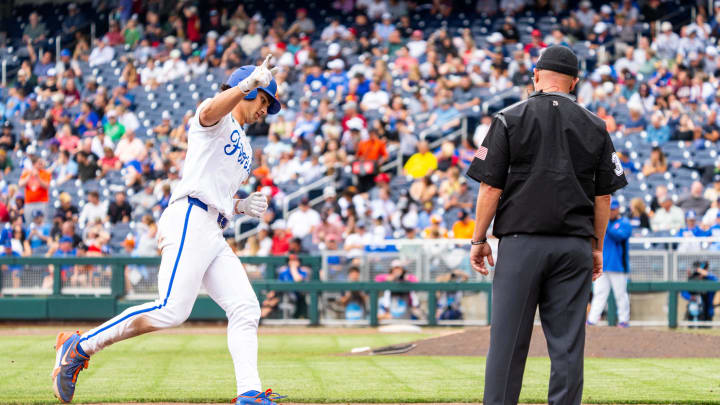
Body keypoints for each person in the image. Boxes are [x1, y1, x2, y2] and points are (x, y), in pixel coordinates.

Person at [52, 56, 286, 405]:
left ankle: (249, 392)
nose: (265, 109)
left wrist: (239, 205)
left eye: (266, 103)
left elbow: (214, 188)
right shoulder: (215, 118)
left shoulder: (248, 148)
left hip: (213, 226)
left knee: (246, 308)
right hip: (189, 217)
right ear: (247, 92)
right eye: (264, 100)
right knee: (171, 309)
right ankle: (80, 346)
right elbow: (207, 113)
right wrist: (247, 85)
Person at [466, 46, 627, 405]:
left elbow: (491, 185)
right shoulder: (596, 125)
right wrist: (596, 246)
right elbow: (604, 197)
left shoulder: (509, 117)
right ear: (575, 82)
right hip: (573, 247)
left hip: (522, 243)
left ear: (536, 75)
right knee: (568, 345)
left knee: (507, 343)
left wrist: (479, 239)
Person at [587, 200, 632, 327]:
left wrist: (605, 225)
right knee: (599, 293)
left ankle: (623, 320)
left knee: (620, 294)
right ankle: (592, 320)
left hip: (618, 266)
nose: (610, 212)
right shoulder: (601, 224)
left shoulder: (624, 223)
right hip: (602, 265)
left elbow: (620, 236)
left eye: (613, 210)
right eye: (609, 210)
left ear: (618, 210)